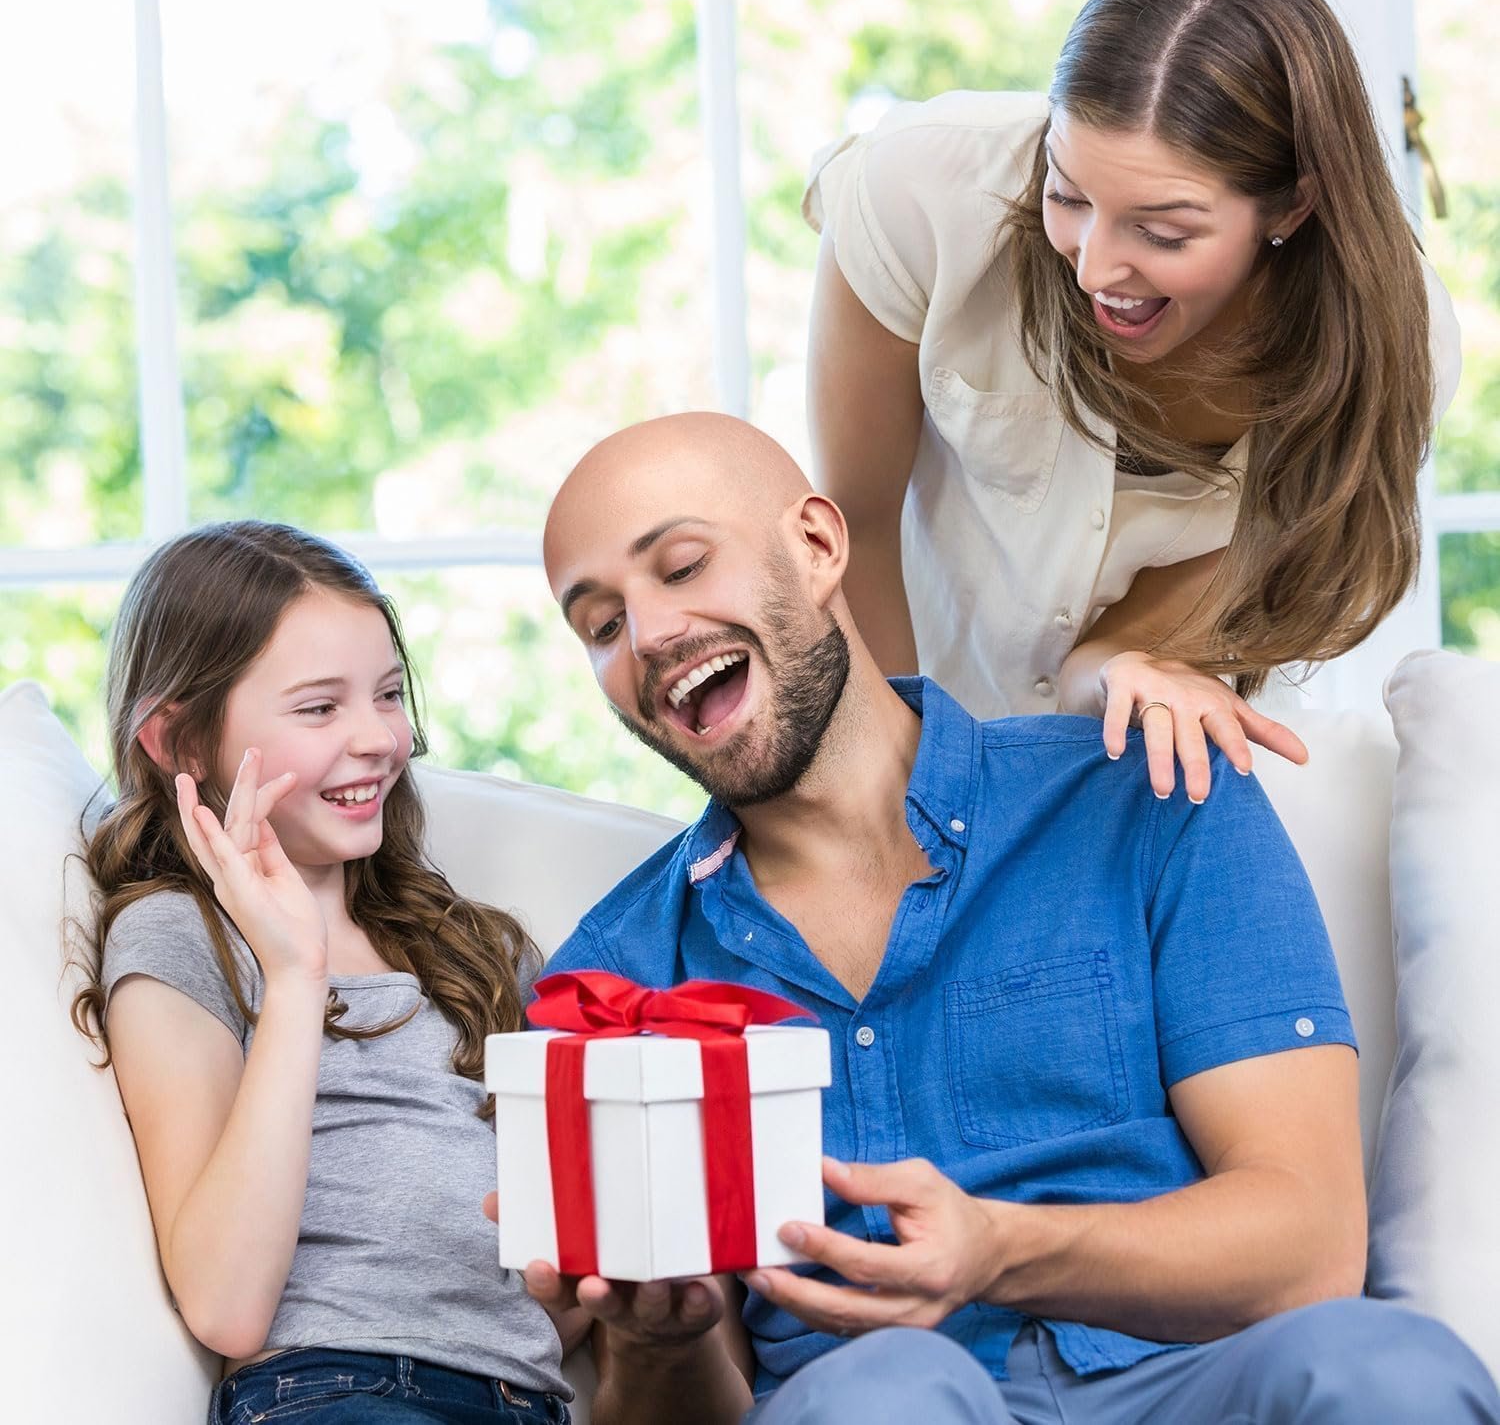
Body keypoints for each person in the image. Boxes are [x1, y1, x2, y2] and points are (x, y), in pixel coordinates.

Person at [518, 412, 1500, 1425]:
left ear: (816, 545)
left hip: (1187, 1387)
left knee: (1387, 1367)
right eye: (601, 626)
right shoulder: (612, 982)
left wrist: (1000, 1249)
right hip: (872, 1406)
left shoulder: (1148, 790)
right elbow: (689, 1406)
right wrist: (661, 1339)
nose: (649, 635)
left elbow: (1310, 1246)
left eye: (682, 567)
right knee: (892, 1390)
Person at [802, 0, 1463, 803]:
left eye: (1162, 232)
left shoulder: (1384, 354)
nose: (1093, 268)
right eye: (1067, 196)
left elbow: (1113, 661)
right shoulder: (920, 190)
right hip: (908, 729)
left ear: (1294, 205)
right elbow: (854, 529)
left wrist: (1133, 676)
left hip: (1132, 773)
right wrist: (901, 795)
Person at [70, 521, 582, 1425]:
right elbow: (227, 1306)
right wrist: (296, 976)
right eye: (318, 709)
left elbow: (547, 1294)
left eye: (388, 694)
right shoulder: (180, 936)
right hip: (334, 1391)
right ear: (179, 742)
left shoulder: (476, 951)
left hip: (523, 1401)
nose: (378, 737)